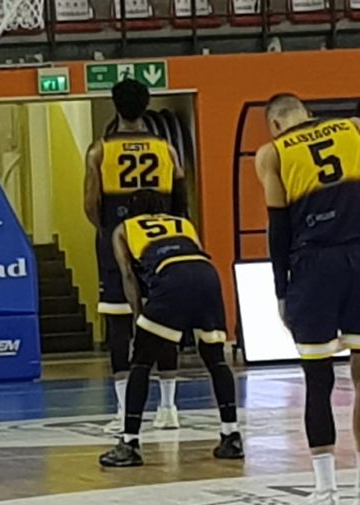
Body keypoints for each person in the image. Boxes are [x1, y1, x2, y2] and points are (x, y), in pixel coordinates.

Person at [254, 94, 360, 505]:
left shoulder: (272, 152)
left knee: (318, 378)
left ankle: (325, 496)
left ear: (275, 125)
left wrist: (281, 291)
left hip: (313, 265)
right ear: (307, 114)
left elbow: (278, 229)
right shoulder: (355, 129)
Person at [98, 190, 243, 467]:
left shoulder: (124, 228)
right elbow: (194, 253)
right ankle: (231, 436)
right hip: (207, 274)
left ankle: (129, 443)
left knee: (141, 363)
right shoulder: (183, 223)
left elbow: (128, 274)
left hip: (171, 277)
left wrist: (140, 316)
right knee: (215, 360)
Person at [84, 79, 188, 434]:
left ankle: (123, 410)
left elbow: (91, 205)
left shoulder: (100, 150)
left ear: (115, 107)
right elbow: (181, 195)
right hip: (162, 238)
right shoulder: (166, 149)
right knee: (164, 317)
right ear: (146, 106)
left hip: (119, 235)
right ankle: (169, 408)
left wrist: (110, 231)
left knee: (118, 323)